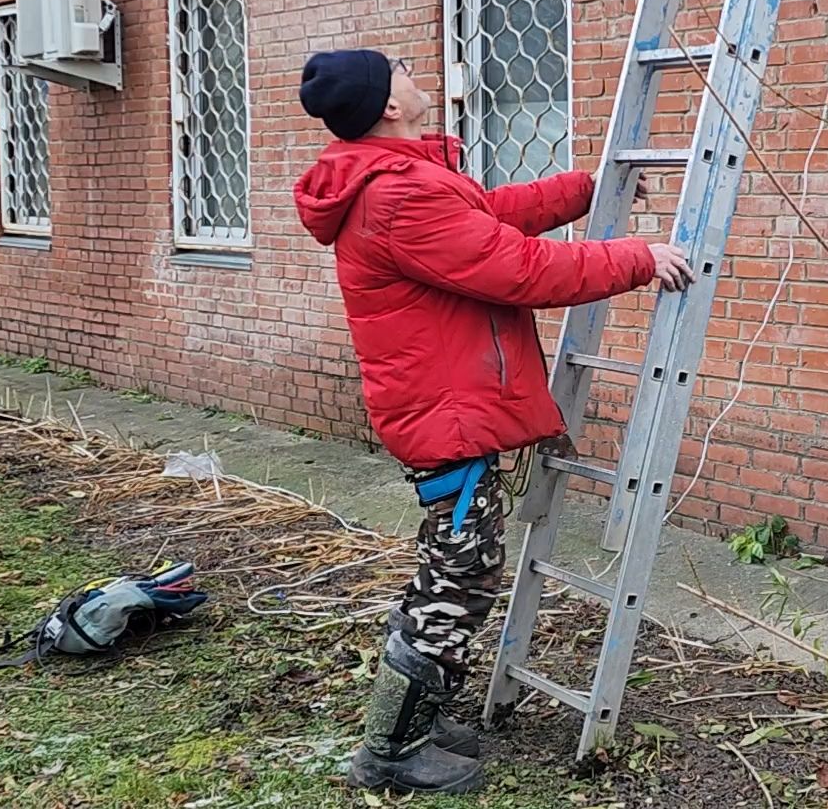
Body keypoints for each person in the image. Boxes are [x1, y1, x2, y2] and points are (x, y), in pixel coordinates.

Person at [292, 49, 693, 794]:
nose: (416, 75)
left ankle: (422, 711)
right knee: (459, 573)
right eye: (402, 70)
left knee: (453, 566)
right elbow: (520, 269)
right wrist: (637, 257)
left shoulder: (405, 182)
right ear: (386, 104)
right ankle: (391, 748)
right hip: (447, 415)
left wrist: (589, 191)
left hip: (448, 405)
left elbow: (491, 216)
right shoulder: (397, 198)